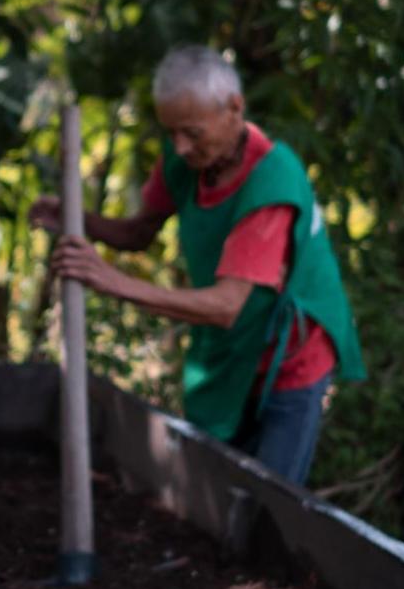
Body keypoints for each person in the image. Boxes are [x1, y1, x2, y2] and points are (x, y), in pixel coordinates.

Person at [36, 46, 365, 483]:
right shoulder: (185, 161)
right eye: (171, 132)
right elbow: (138, 234)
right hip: (231, 351)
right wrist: (77, 220)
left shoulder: (271, 181)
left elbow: (227, 305)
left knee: (271, 502)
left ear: (234, 109)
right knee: (213, 483)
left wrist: (111, 281)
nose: (180, 147)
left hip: (290, 358)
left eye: (191, 132)